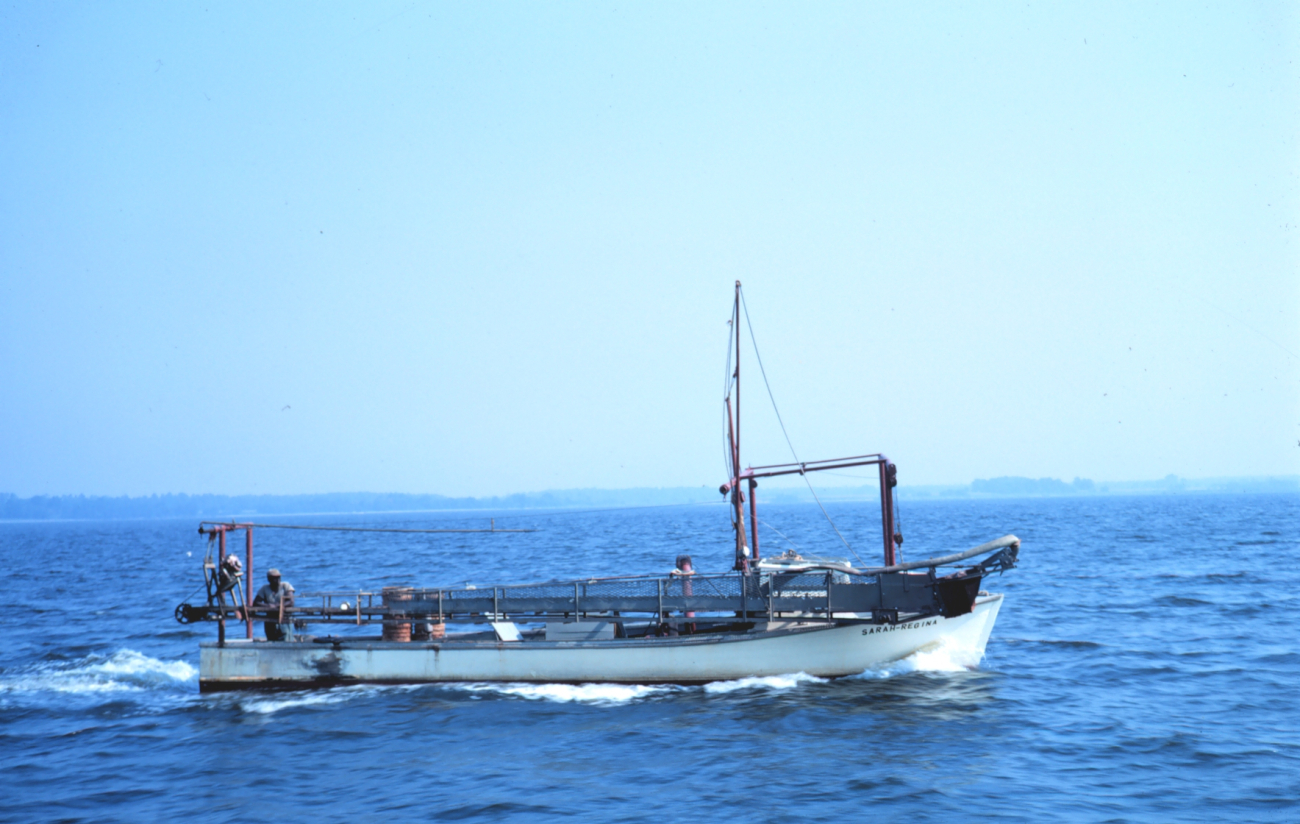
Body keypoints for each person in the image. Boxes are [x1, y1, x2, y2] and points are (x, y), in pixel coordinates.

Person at [253, 568, 295, 641]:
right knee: (271, 639)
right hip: (270, 619)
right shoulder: (265, 588)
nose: (278, 579)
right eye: (274, 578)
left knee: (286, 638)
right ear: (269, 579)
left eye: (278, 577)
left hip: (284, 618)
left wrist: (278, 605)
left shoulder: (286, 586)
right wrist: (268, 606)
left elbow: (291, 601)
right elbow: (256, 603)